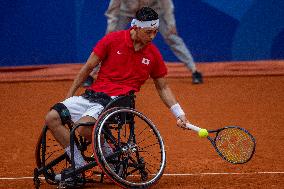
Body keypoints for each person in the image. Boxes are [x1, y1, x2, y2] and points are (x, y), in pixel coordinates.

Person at [45, 7, 190, 182]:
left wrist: (179, 113)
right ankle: (80, 165)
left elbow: (163, 87)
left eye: (155, 32)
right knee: (53, 117)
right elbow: (88, 68)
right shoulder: (112, 40)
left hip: (119, 101)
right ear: (135, 27)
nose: (152, 37)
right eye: (148, 32)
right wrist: (68, 96)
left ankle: (110, 157)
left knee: (83, 128)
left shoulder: (153, 54)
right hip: (93, 95)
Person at [83, 0, 203, 87]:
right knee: (109, 41)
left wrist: (171, 24)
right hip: (126, 12)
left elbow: (167, 5)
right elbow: (113, 10)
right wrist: (111, 29)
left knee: (171, 37)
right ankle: (92, 74)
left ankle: (194, 71)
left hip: (152, 12)